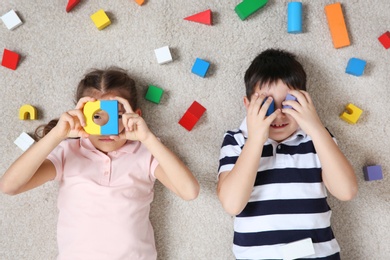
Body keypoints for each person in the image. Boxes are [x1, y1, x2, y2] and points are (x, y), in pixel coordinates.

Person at [0, 68, 200, 259]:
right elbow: (9, 186)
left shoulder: (146, 153)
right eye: (97, 116)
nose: (106, 128)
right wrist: (57, 135)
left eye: (117, 115)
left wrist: (147, 137)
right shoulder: (67, 152)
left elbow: (189, 191)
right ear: (82, 115)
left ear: (135, 115)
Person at [217, 49, 357, 259]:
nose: (279, 114)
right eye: (267, 105)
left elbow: (346, 191)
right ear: (248, 106)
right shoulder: (237, 141)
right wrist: (255, 140)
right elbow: (232, 204)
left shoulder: (316, 139)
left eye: (289, 103)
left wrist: (316, 128)